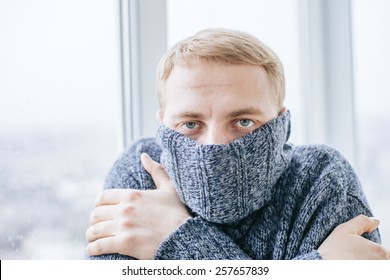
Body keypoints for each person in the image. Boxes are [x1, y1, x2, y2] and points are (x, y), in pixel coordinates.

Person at [85, 28, 390, 260]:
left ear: (281, 122)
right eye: (190, 124)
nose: (215, 146)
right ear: (163, 123)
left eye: (243, 122)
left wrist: (179, 239)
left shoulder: (321, 180)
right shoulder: (140, 173)